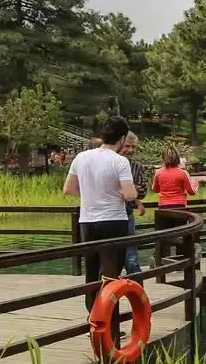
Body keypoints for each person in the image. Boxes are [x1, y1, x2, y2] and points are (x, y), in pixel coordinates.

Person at [63, 116, 138, 346]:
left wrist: (91, 196)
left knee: (92, 273)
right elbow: (130, 194)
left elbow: (69, 189)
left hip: (87, 221)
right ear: (122, 138)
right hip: (113, 220)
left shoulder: (81, 157)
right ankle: (111, 330)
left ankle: (92, 323)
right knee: (111, 276)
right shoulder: (119, 162)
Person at [119, 133, 148, 276]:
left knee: (131, 256)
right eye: (127, 146)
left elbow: (143, 190)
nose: (130, 150)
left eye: (133, 147)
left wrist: (127, 189)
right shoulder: (110, 163)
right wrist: (130, 187)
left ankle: (137, 292)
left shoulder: (137, 167)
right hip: (107, 216)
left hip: (127, 213)